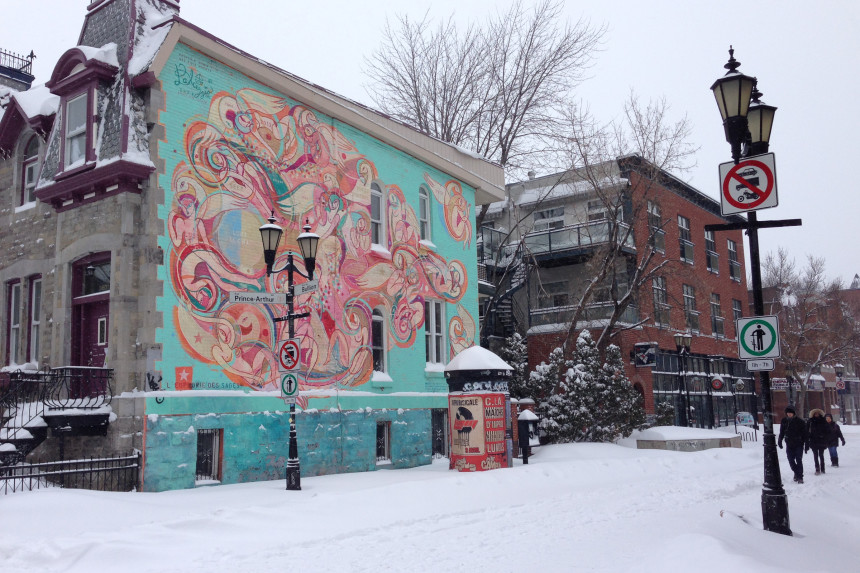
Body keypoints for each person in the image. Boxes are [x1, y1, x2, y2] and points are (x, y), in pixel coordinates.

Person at [778, 406, 808, 483]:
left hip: (798, 443)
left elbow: (805, 434)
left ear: (794, 413)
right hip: (789, 443)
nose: (789, 414)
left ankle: (800, 477)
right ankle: (797, 473)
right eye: (788, 413)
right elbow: (782, 431)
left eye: (790, 413)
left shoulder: (800, 421)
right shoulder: (784, 421)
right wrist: (780, 440)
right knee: (790, 460)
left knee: (799, 460)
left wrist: (806, 443)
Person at [806, 409, 830, 475]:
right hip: (813, 440)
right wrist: (808, 438)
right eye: (815, 413)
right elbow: (807, 431)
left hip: (821, 440)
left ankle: (822, 468)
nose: (816, 414)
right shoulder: (810, 421)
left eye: (817, 413)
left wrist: (824, 436)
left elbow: (828, 430)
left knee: (821, 455)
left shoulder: (823, 421)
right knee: (815, 455)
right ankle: (817, 468)